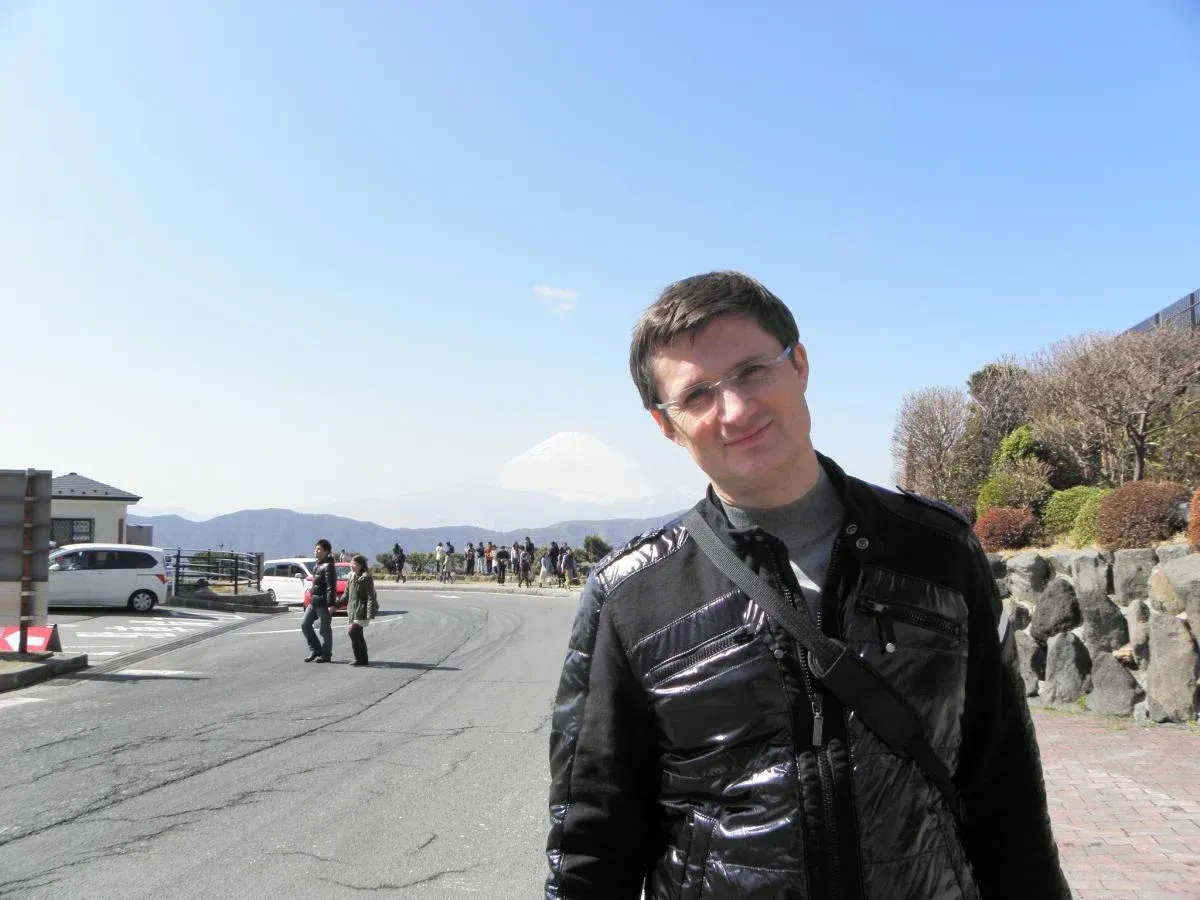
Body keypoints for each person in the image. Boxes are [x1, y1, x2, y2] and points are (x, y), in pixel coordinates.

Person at [544, 272, 1070, 899]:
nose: (735, 410)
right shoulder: (631, 595)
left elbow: (1005, 786)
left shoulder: (939, 552)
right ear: (666, 424)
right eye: (698, 394)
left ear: (799, 365)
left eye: (751, 371)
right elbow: (591, 837)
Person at [301, 538, 338, 663]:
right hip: (313, 602)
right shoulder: (317, 565)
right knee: (304, 624)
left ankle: (326, 655)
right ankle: (315, 649)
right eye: (315, 548)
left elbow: (331, 586)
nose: (316, 551)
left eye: (319, 549)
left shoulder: (329, 566)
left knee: (324, 630)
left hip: (323, 603)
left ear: (326, 552)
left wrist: (331, 604)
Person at [344, 553, 377, 667]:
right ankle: (362, 659)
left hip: (362, 610)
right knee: (357, 635)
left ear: (361, 565)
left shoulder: (366, 577)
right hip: (353, 610)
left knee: (353, 632)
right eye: (351, 563)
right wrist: (336, 603)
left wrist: (370, 613)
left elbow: (370, 596)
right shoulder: (351, 576)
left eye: (354, 564)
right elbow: (346, 594)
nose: (351, 566)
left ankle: (361, 658)